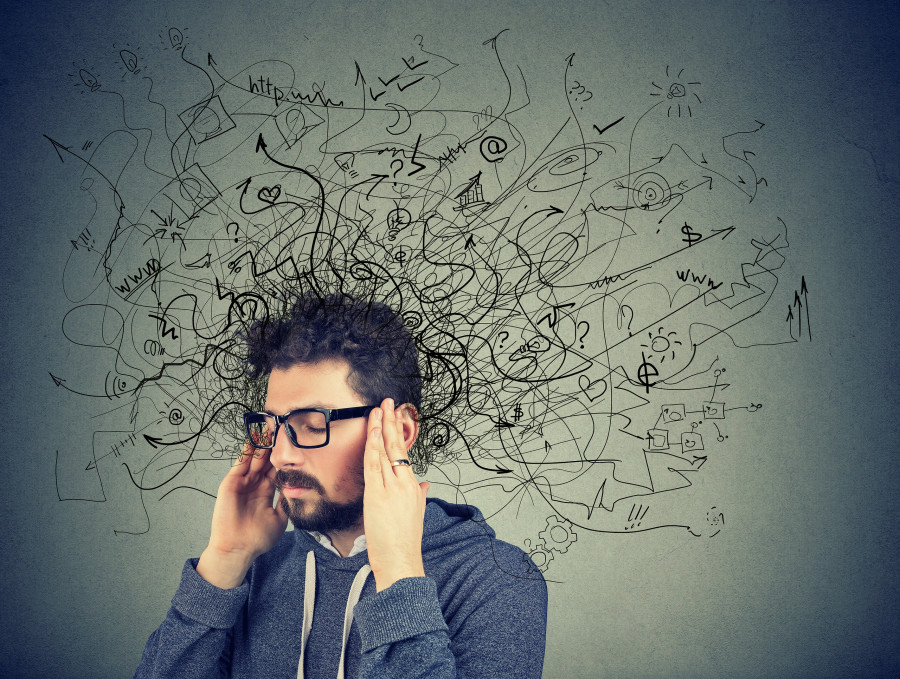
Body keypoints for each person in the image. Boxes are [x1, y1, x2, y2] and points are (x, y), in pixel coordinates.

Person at [135, 292, 548, 678]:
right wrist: (224, 560)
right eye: (273, 426)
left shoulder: (497, 578)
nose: (280, 455)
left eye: (312, 425)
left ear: (399, 430)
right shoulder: (255, 568)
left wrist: (400, 576)